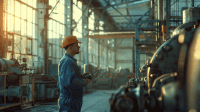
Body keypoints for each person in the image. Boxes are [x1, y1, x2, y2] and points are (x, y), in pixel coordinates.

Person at [57, 35, 91, 112]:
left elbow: (68, 79)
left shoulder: (69, 61)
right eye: (76, 45)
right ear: (71, 47)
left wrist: (81, 77)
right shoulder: (68, 62)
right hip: (69, 102)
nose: (79, 47)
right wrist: (85, 81)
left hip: (71, 101)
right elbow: (70, 82)